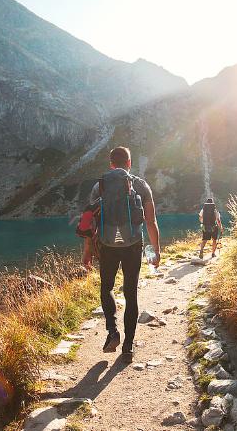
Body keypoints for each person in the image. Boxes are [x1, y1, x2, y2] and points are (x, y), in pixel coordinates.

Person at [81, 146, 160, 363]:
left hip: (107, 246)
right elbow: (151, 221)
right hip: (133, 244)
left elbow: (90, 223)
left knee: (106, 288)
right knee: (130, 292)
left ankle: (112, 331)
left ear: (111, 164)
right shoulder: (141, 185)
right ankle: (128, 346)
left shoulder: (100, 186)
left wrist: (87, 252)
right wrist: (155, 251)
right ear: (129, 163)